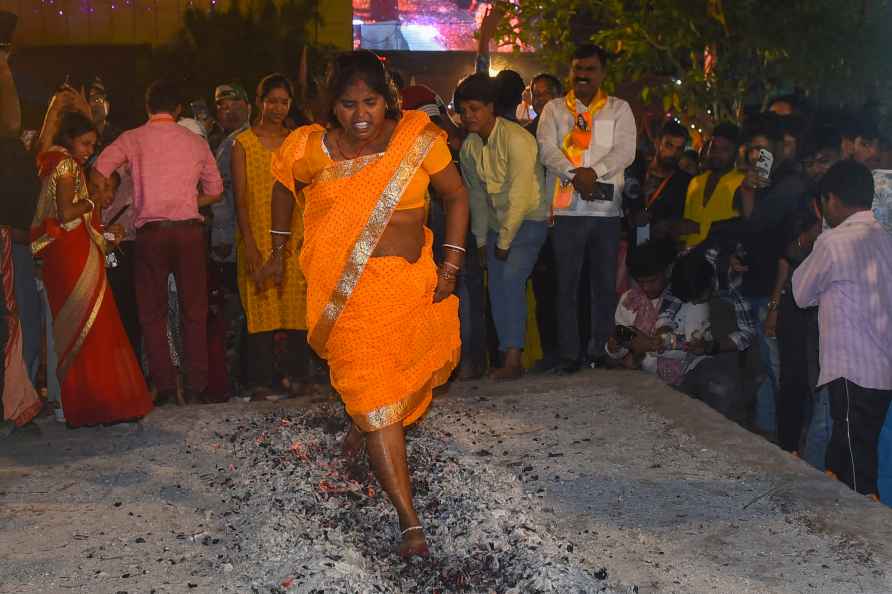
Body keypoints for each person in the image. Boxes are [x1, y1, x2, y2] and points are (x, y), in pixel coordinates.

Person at [266, 50, 469, 557]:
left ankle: (365, 427)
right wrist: (274, 247)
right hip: (351, 300)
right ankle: (409, 521)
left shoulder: (416, 139)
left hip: (408, 287)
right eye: (348, 104)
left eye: (371, 102)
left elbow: (457, 197)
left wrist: (451, 265)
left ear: (389, 101)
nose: (360, 114)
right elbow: (282, 181)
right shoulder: (315, 148)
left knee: (392, 387)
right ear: (332, 107)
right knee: (376, 393)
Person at [93, 79, 223, 406]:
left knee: (153, 314)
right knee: (195, 310)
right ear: (178, 109)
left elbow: (99, 169)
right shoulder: (194, 142)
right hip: (189, 233)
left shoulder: (132, 138)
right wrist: (190, 202)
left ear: (147, 107)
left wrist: (93, 209)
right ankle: (197, 385)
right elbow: (216, 190)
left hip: (150, 235)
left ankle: (165, 385)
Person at [32, 111, 153, 427]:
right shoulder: (67, 165)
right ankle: (100, 406)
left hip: (63, 255)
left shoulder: (47, 163)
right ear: (69, 139)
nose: (88, 151)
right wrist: (91, 202)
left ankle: (86, 404)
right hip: (75, 256)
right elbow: (69, 214)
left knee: (77, 332)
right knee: (94, 328)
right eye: (84, 143)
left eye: (91, 145)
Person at [793, 160, 892, 497]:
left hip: (850, 370)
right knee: (856, 452)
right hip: (882, 370)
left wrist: (818, 236)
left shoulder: (832, 242)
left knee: (852, 465)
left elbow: (801, 293)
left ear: (831, 200)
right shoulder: (885, 240)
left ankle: (864, 536)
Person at [536, 43, 637, 374]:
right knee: (565, 286)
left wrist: (595, 173)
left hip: (606, 213)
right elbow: (546, 150)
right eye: (577, 69)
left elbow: (625, 151)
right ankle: (569, 355)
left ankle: (601, 350)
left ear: (602, 73)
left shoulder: (619, 109)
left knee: (604, 286)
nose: (582, 75)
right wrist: (573, 174)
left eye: (590, 69)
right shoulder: (554, 110)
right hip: (566, 211)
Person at [456, 73, 547, 380]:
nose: (468, 116)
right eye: (463, 110)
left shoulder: (517, 139)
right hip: (497, 225)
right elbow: (477, 197)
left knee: (509, 279)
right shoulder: (470, 147)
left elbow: (521, 195)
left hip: (529, 220)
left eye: (475, 109)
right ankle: (509, 356)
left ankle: (512, 359)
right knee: (495, 287)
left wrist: (503, 243)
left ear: (491, 107)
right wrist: (482, 241)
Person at [232, 74, 309, 400]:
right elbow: (240, 198)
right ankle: (261, 382)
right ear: (259, 101)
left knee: (297, 308)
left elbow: (305, 191)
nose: (278, 108)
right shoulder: (243, 144)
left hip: (294, 235)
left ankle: (297, 378)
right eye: (272, 100)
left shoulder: (297, 141)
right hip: (257, 234)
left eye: (284, 101)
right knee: (260, 308)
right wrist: (248, 242)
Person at [654, 249, 756, 421]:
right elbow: (668, 311)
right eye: (690, 298)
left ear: (710, 283)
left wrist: (711, 346)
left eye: (697, 298)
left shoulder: (731, 277)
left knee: (726, 388)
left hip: (727, 317)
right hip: (697, 339)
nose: (694, 303)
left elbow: (747, 332)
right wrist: (662, 336)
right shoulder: (680, 269)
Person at [678, 123, 743, 248]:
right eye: (713, 148)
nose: (717, 154)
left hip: (720, 261)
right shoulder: (695, 182)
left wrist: (699, 227)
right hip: (688, 258)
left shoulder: (742, 183)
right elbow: (685, 226)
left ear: (736, 153)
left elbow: (741, 228)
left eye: (725, 149)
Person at [627, 120, 692, 244]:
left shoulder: (685, 183)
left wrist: (668, 225)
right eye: (669, 145)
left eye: (679, 148)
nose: (674, 153)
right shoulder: (636, 171)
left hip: (662, 253)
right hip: (627, 248)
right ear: (657, 143)